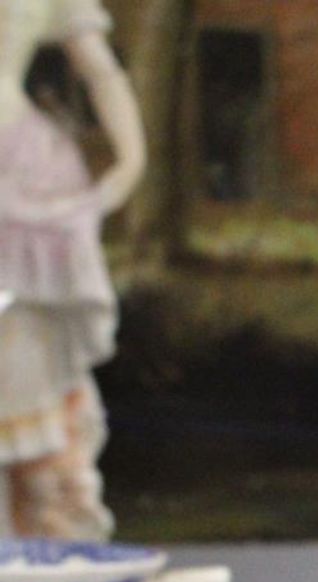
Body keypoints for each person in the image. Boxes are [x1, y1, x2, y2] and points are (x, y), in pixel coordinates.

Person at [0, 0, 144, 538]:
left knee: (27, 364)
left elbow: (102, 71)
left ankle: (48, 561)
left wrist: (130, 162)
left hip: (25, 178)